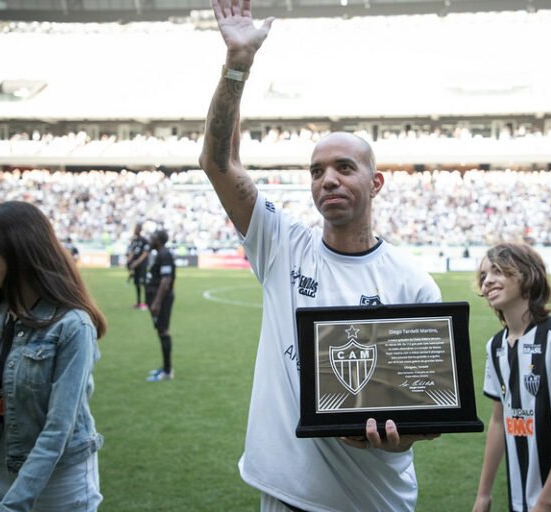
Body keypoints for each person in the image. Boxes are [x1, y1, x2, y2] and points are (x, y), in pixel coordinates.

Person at [198, 1, 442, 510]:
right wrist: (238, 63)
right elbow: (218, 163)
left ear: (376, 182)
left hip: (376, 499)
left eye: (344, 167)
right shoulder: (282, 245)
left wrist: (401, 436)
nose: (327, 179)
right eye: (316, 171)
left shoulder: (412, 282)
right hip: (286, 494)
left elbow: (430, 409)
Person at [0, 201, 106, 512]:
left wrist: (11, 506)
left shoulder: (73, 326)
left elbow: (58, 429)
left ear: (19, 246)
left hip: (59, 484)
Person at [472, 242, 551, 512]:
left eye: (497, 271)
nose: (487, 281)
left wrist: (547, 501)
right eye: (484, 275)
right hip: (520, 497)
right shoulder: (495, 346)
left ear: (527, 276)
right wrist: (483, 495)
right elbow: (498, 421)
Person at [145, 229, 176, 382]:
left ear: (158, 240)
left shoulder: (164, 254)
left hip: (162, 300)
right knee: (160, 331)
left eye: (152, 237)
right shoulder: (159, 253)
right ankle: (164, 368)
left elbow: (166, 280)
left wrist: (157, 302)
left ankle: (167, 371)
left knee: (163, 332)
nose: (150, 240)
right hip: (157, 299)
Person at [126, 223, 150, 310]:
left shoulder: (144, 240)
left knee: (144, 283)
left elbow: (145, 254)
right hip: (135, 266)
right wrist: (129, 262)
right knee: (136, 284)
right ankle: (139, 302)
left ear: (139, 229)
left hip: (142, 265)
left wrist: (136, 262)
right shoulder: (134, 241)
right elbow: (132, 252)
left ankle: (147, 303)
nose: (134, 230)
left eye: (136, 228)